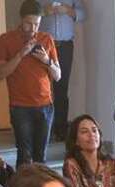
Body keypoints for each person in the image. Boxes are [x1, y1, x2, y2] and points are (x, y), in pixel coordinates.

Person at [0, 0, 61, 166]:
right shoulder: (6, 39)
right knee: (24, 156)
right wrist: (21, 54)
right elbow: (1, 73)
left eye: (37, 24)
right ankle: (23, 184)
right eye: (28, 24)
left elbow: (58, 75)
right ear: (21, 19)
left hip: (45, 106)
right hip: (20, 107)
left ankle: (41, 184)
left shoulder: (46, 39)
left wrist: (47, 61)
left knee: (41, 156)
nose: (33, 29)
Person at [38, 0, 85, 141]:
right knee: (41, 87)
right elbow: (28, 12)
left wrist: (68, 11)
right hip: (43, 46)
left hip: (65, 46)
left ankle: (61, 129)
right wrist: (44, 11)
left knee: (62, 88)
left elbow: (82, 14)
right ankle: (43, 128)